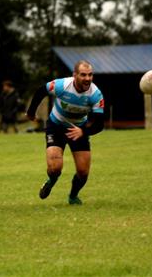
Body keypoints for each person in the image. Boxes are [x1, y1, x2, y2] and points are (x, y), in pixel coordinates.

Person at [26, 60, 104, 205]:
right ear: (74, 75)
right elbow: (41, 91)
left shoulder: (96, 95)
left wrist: (83, 131)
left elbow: (99, 124)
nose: (87, 78)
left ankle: (73, 196)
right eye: (83, 75)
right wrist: (31, 112)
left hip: (78, 130)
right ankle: (52, 181)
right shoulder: (62, 85)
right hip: (56, 126)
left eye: (90, 75)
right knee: (54, 168)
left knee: (83, 172)